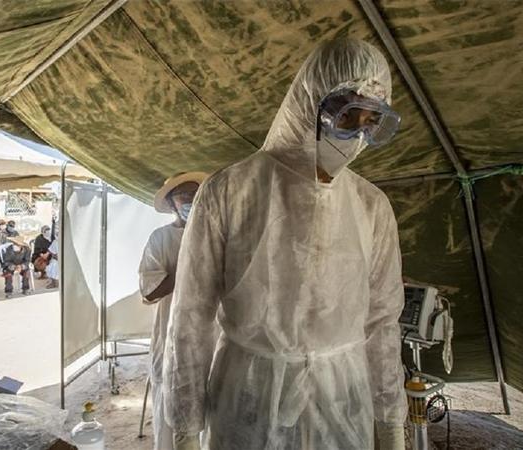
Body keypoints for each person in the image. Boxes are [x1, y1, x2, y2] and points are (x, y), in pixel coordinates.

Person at [163, 38, 407, 450]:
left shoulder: (371, 206)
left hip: (342, 405)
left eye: (371, 122)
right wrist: (186, 429)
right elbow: (190, 316)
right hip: (250, 400)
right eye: (348, 117)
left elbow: (382, 322)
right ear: (312, 103)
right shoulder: (230, 192)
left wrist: (391, 425)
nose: (358, 136)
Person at [139, 172, 206, 450]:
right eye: (183, 196)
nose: (190, 200)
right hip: (172, 336)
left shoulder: (214, 234)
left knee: (211, 409)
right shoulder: (161, 238)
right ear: (170, 203)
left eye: (195, 194)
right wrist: (188, 266)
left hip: (211, 336)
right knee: (173, 409)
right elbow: (149, 291)